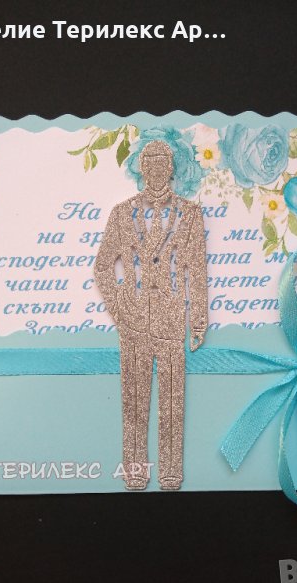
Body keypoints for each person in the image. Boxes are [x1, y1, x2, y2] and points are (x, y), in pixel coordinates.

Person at [94, 140, 208, 490]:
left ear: (170, 169)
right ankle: (134, 472)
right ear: (142, 169)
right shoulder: (121, 213)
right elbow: (102, 267)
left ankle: (171, 473)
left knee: (173, 401)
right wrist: (119, 307)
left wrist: (198, 319)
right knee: (134, 399)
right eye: (151, 164)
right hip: (132, 323)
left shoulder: (190, 214)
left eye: (163, 164)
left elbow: (196, 270)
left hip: (171, 320)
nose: (157, 170)